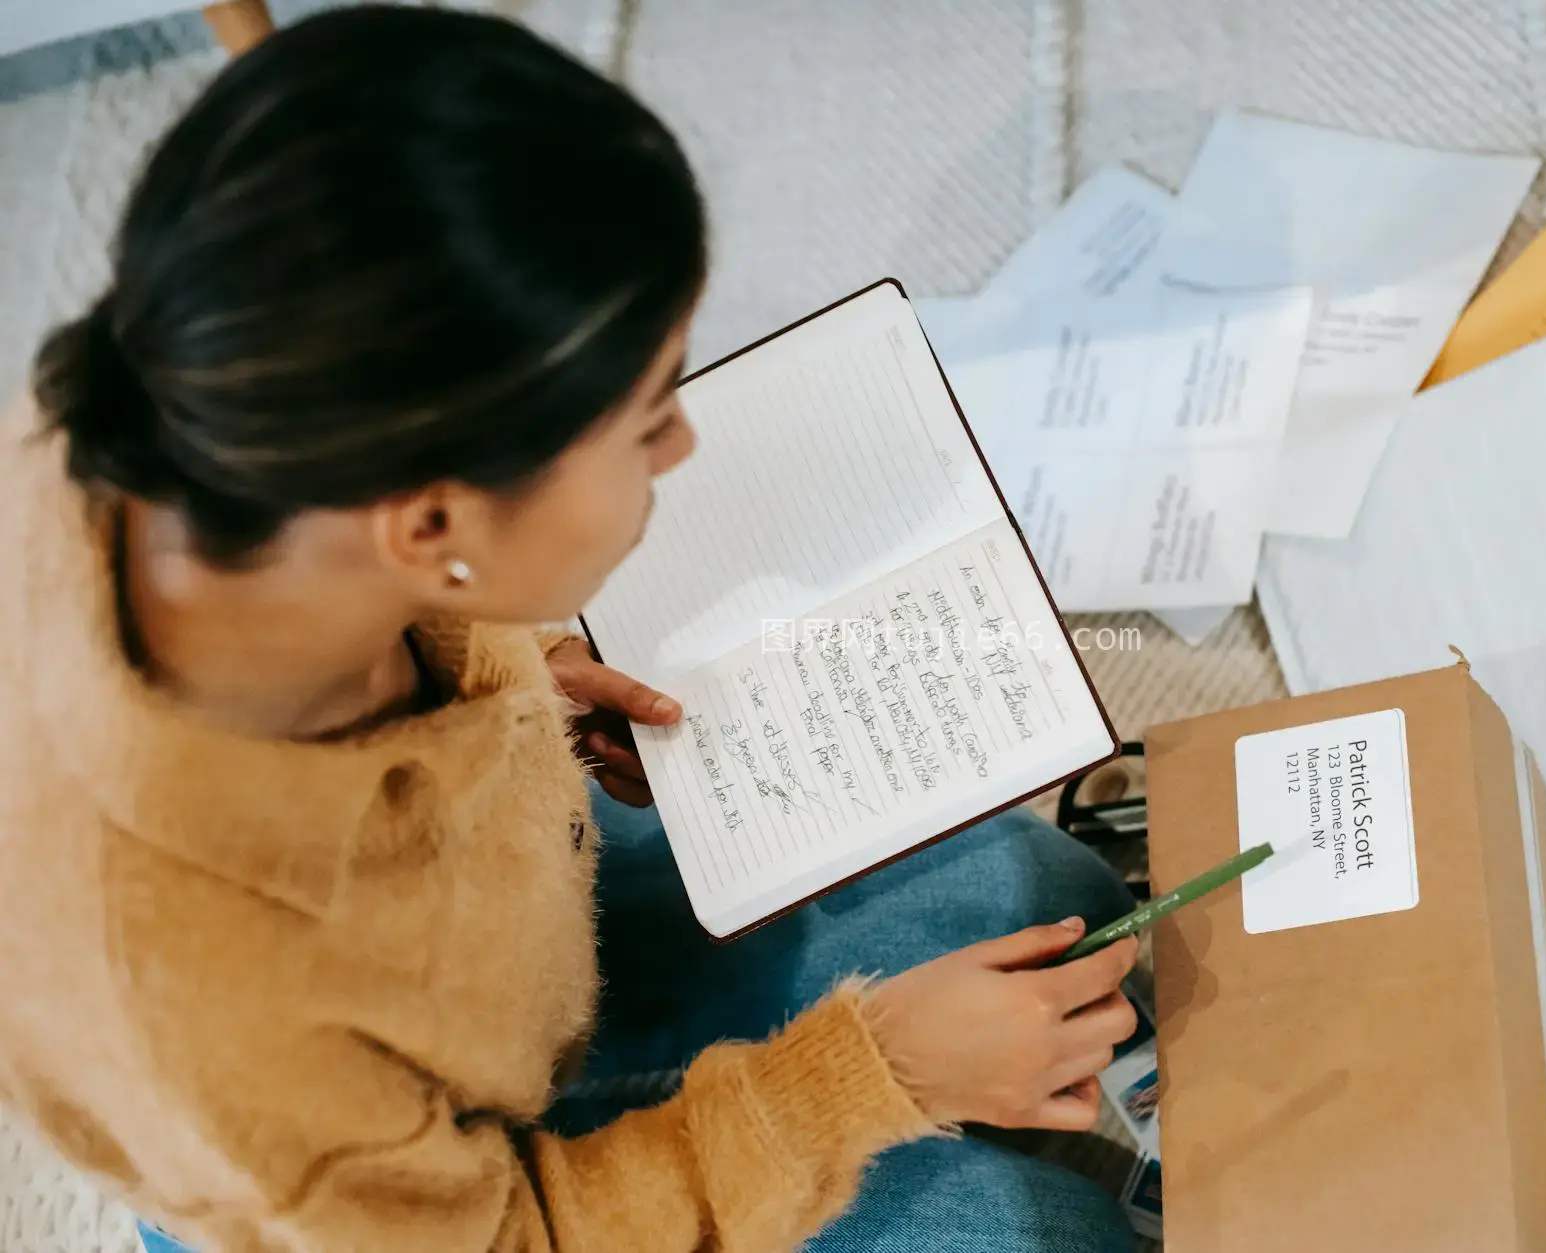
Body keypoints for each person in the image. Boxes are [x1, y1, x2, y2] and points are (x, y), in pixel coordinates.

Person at [0, 7, 1143, 1252]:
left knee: (1048, 894)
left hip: (479, 927)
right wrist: (871, 1078)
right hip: (372, 1185)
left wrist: (515, 681)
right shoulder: (208, 1005)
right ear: (436, 520)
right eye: (647, 420)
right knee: (1023, 1233)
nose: (685, 442)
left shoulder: (210, 413)